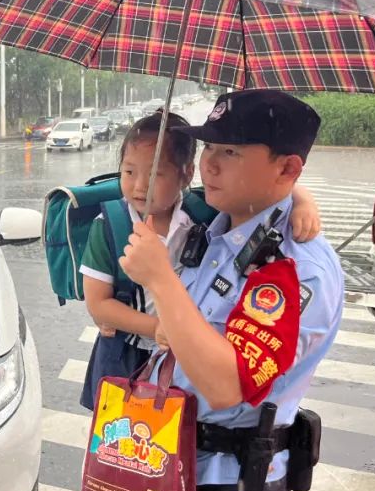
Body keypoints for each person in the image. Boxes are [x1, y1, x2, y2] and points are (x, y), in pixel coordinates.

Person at [117, 88, 343, 491]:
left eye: (232, 152)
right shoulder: (216, 230)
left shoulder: (295, 269)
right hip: (172, 466)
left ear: (287, 167)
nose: (209, 164)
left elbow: (227, 385)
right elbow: (113, 188)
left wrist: (161, 280)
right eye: (209, 146)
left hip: (228, 490)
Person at [77, 109, 323, 410]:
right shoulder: (111, 225)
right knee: (121, 444)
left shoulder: (205, 213)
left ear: (185, 174)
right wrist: (156, 327)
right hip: (129, 356)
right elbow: (98, 304)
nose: (141, 185)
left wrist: (302, 201)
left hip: (190, 358)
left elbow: (270, 186)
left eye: (157, 174)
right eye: (129, 172)